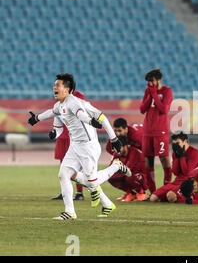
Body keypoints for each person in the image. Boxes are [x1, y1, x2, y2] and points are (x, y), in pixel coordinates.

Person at [28, 73, 122, 220]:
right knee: (64, 174)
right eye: (54, 85)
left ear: (67, 89)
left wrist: (94, 124)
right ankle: (70, 212)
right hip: (75, 146)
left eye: (57, 85)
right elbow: (54, 118)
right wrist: (37, 119)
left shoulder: (73, 102)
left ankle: (116, 166)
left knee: (93, 183)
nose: (54, 88)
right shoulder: (59, 105)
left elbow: (81, 115)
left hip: (88, 146)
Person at [140, 69, 173, 193]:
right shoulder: (148, 91)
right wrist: (150, 94)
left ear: (159, 80)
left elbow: (164, 109)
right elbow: (142, 109)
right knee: (148, 161)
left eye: (152, 81)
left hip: (160, 132)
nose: (150, 84)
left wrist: (154, 94)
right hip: (147, 131)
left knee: (164, 159)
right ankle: (153, 192)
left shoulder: (167, 91)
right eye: (148, 81)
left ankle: (165, 189)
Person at [50, 90, 86, 201]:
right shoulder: (60, 95)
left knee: (77, 165)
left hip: (74, 135)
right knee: (63, 164)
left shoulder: (79, 96)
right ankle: (65, 192)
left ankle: (79, 192)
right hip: (62, 136)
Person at [150, 132, 198, 203]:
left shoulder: (195, 152)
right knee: (153, 198)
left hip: (188, 183)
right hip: (176, 182)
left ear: (185, 141)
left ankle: (190, 199)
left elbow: (187, 173)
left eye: (178, 143)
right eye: (174, 143)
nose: (176, 145)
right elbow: (175, 172)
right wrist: (177, 157)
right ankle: (173, 198)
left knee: (170, 195)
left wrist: (181, 157)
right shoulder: (175, 153)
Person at [105, 118, 148, 196]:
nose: (117, 134)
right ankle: (131, 192)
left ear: (126, 129)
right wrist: (121, 155)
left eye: (119, 131)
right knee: (116, 175)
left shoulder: (137, 137)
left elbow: (147, 153)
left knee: (130, 173)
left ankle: (143, 190)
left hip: (147, 143)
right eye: (115, 131)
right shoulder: (115, 136)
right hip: (132, 154)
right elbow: (108, 148)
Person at [99, 135, 147, 202]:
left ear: (125, 146)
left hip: (143, 178)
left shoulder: (134, 153)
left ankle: (142, 193)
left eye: (118, 148)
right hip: (130, 175)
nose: (117, 151)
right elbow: (110, 169)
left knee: (128, 175)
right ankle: (130, 193)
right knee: (111, 177)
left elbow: (127, 170)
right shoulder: (117, 153)